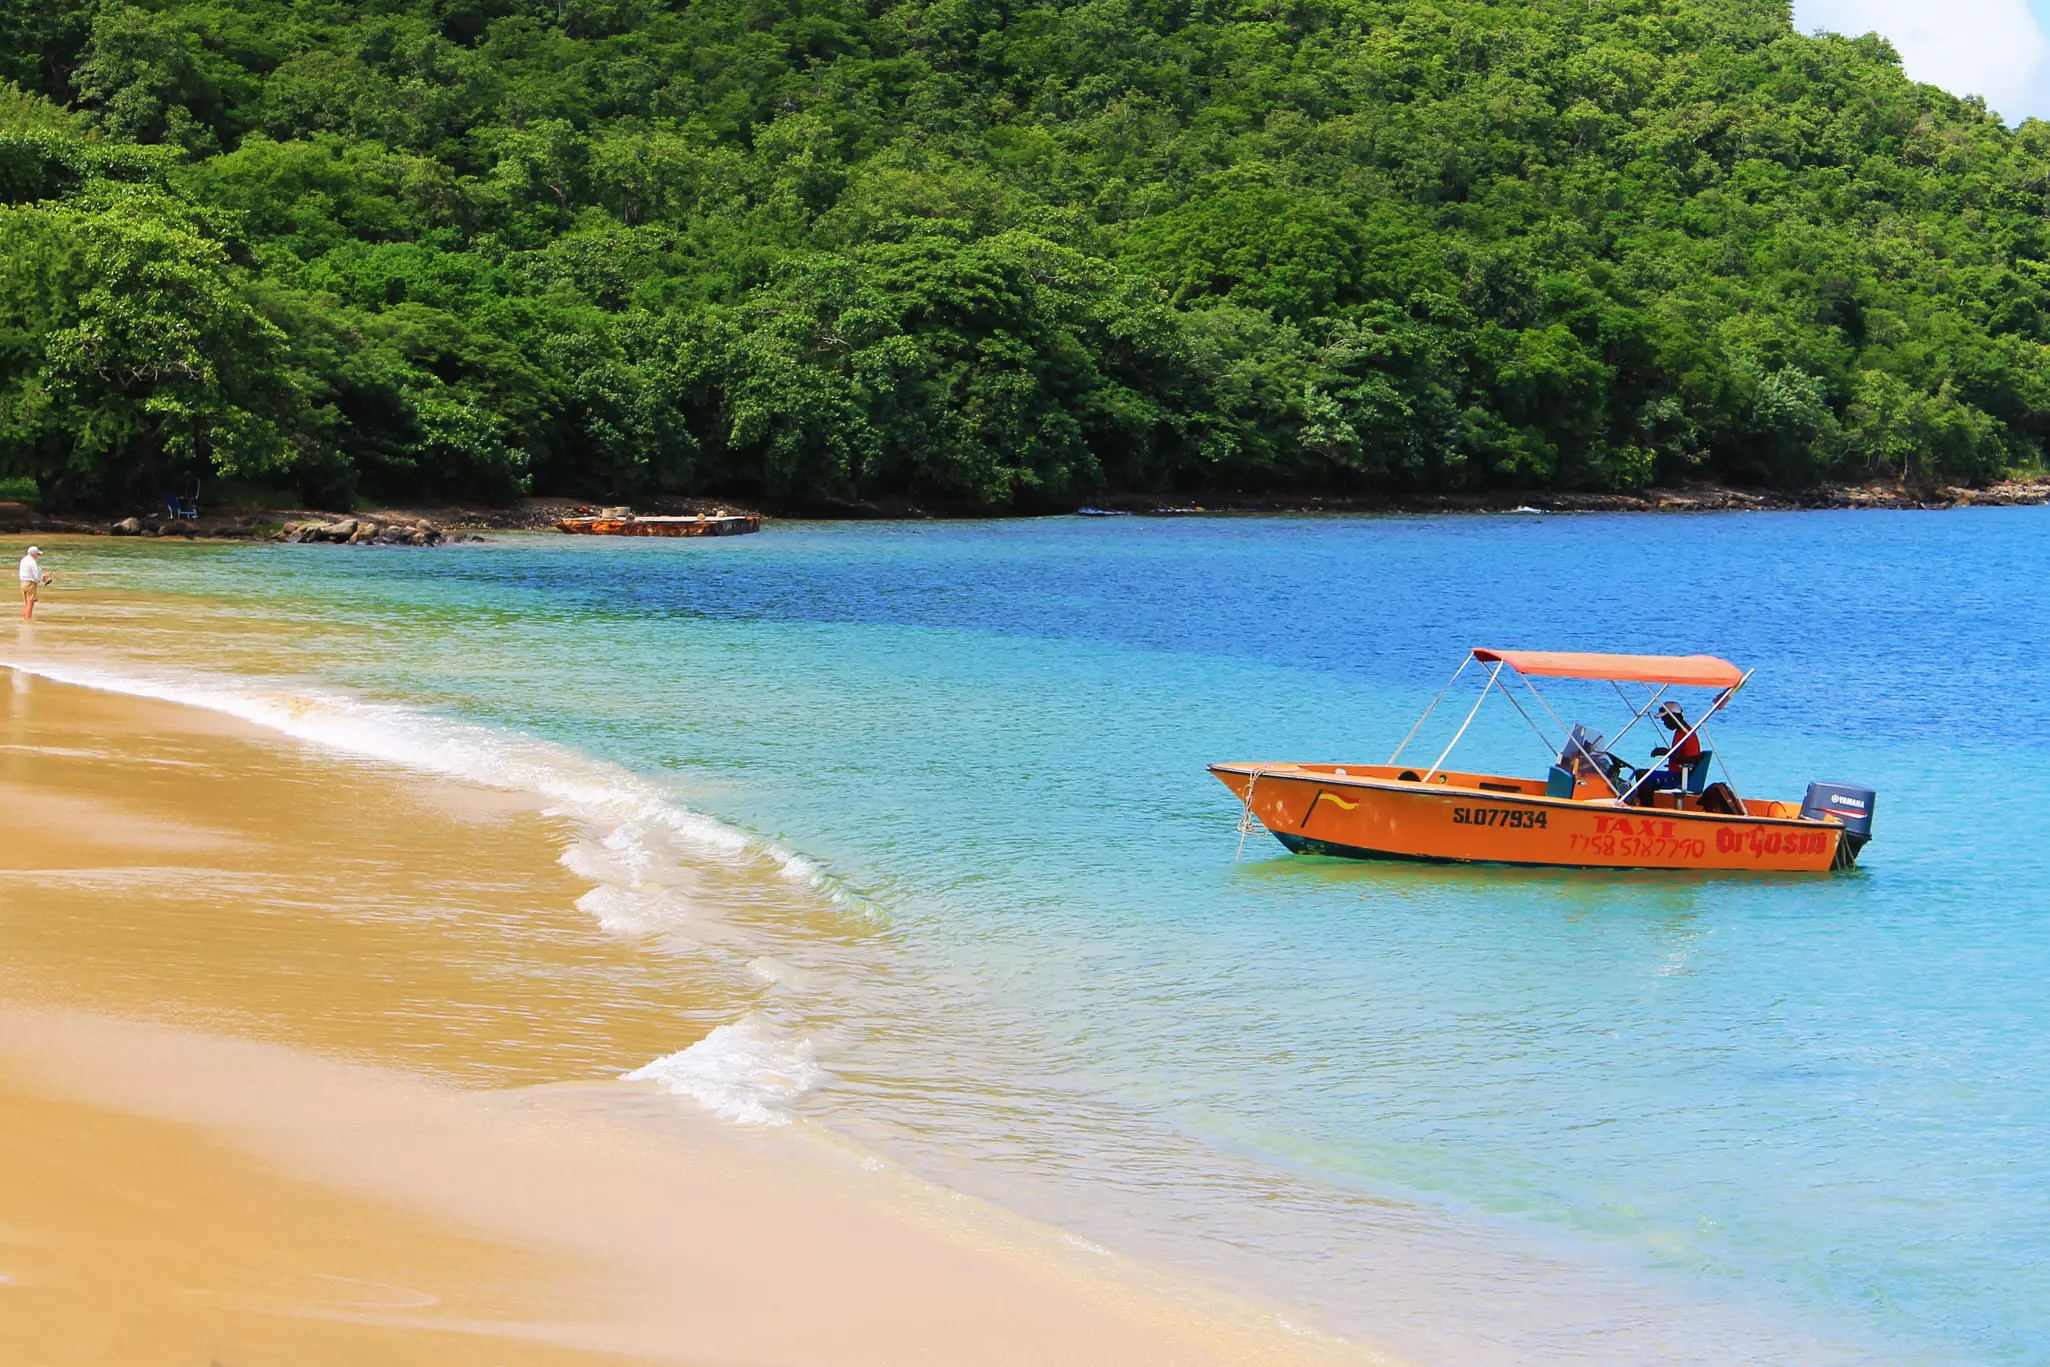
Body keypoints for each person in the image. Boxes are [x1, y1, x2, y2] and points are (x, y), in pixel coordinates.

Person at [18, 545, 51, 621]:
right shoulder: (33, 563)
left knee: (27, 604)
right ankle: (27, 621)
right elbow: (37, 577)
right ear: (34, 554)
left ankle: (25, 619)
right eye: (38, 554)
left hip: (23, 583)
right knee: (30, 604)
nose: (38, 556)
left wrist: (41, 577)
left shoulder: (24, 560)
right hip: (30, 584)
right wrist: (43, 578)